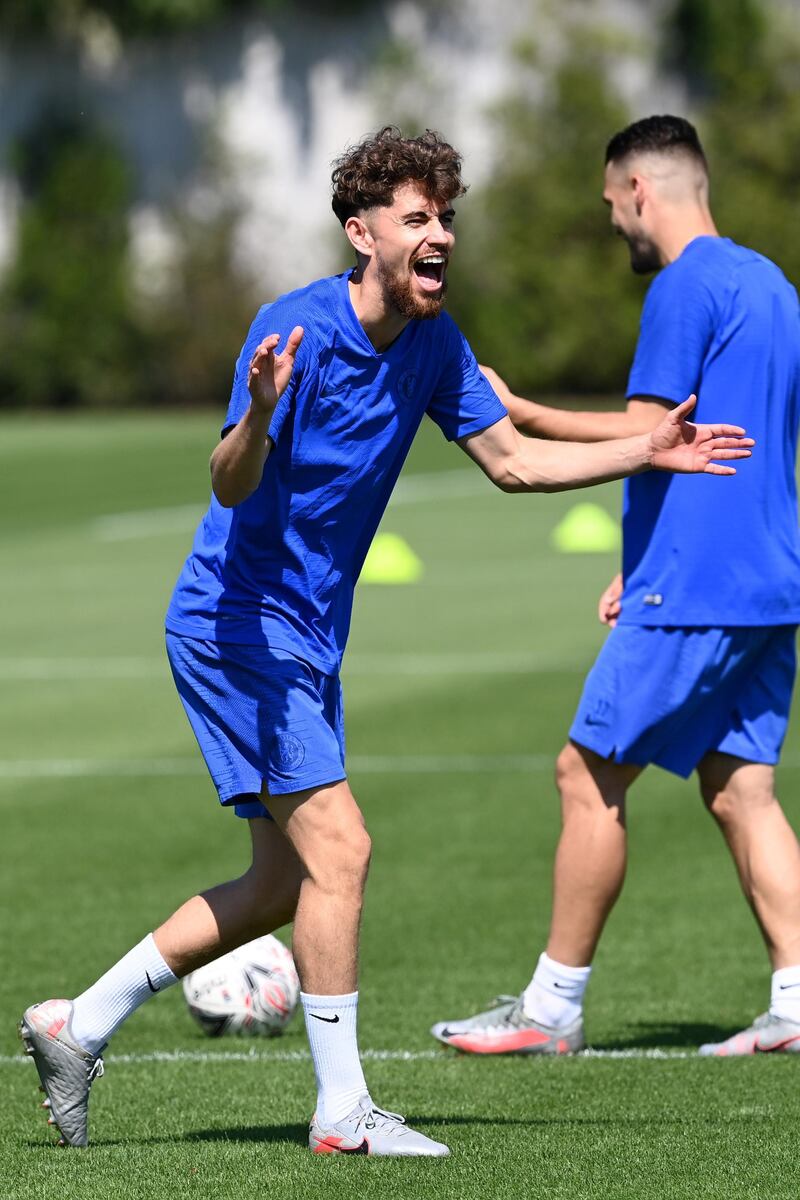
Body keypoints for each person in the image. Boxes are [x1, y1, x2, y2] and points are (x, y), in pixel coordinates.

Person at [19, 126, 751, 1157]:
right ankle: (341, 1112)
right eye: (417, 217)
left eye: (445, 216)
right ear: (362, 233)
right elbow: (228, 480)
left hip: (309, 638)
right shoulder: (294, 332)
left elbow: (512, 464)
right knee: (343, 850)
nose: (439, 233)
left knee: (281, 883)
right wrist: (260, 416)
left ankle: (75, 1024)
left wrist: (645, 448)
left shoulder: (435, 346)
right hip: (237, 627)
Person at [431, 114, 800, 1060]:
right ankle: (798, 1001)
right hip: (769, 578)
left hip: (701, 584)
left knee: (585, 773)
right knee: (741, 790)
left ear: (642, 189)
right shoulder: (773, 285)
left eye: (610, 205)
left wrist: (520, 411)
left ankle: (550, 1010)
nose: (613, 226)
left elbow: (652, 437)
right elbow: (728, 443)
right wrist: (632, 564)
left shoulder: (683, 287)